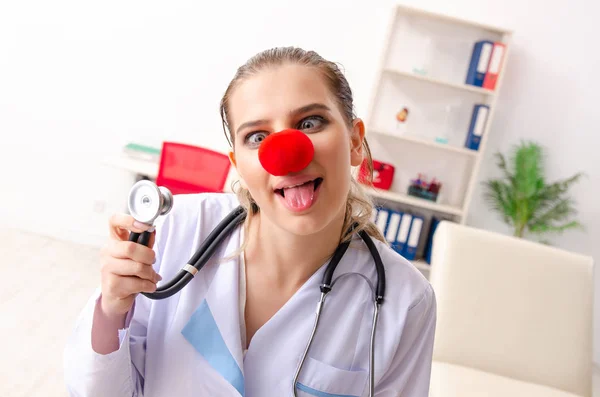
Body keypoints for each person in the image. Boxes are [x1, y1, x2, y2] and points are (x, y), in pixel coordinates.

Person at [63, 46, 436, 397]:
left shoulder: (405, 300)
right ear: (238, 162)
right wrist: (113, 307)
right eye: (258, 136)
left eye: (309, 122)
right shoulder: (175, 230)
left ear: (356, 142)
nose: (286, 154)